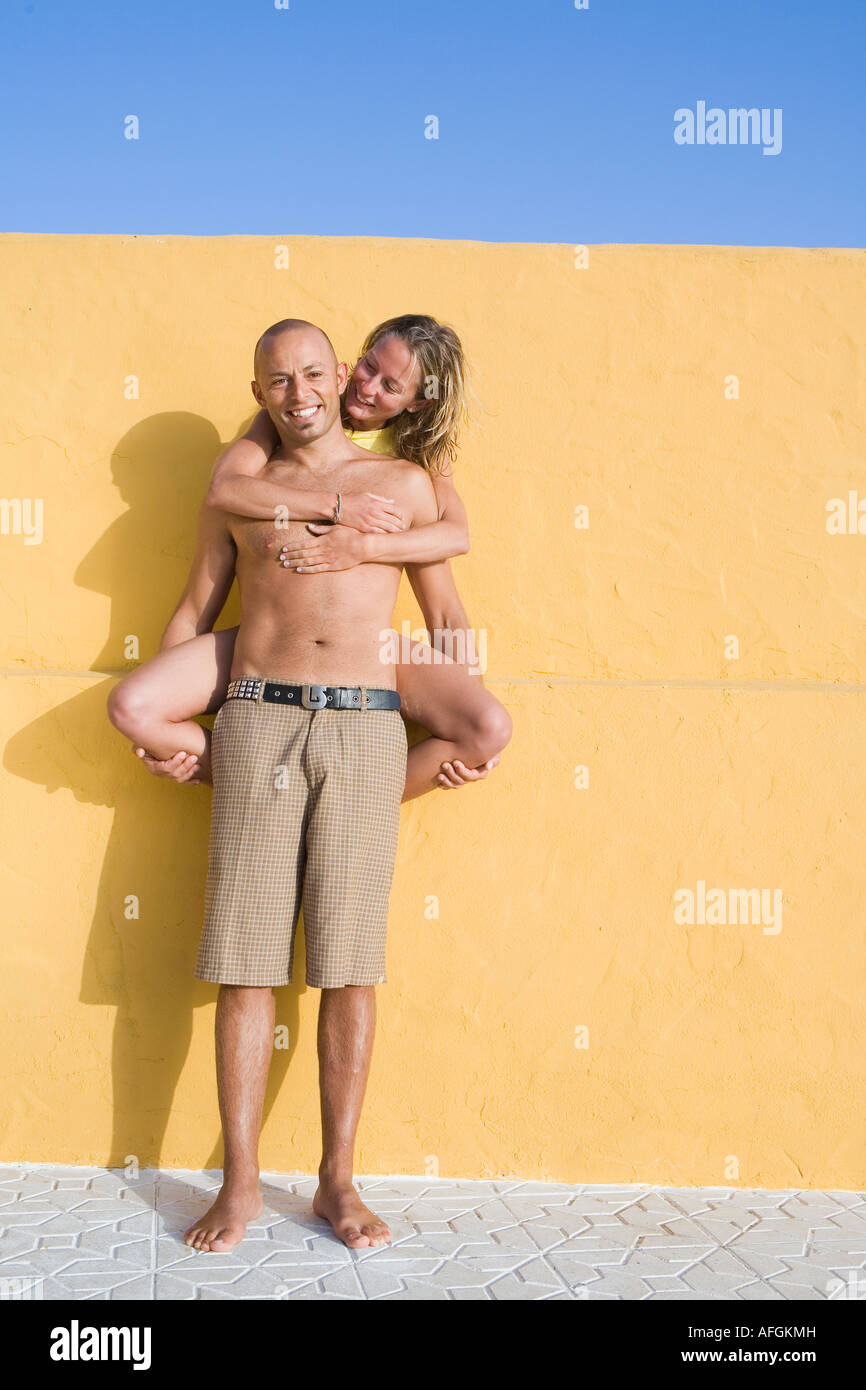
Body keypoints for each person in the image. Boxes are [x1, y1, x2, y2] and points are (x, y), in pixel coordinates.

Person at [147, 318, 465, 1252]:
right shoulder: (244, 493)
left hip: (368, 726)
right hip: (256, 716)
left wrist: (464, 702)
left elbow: (448, 612)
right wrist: (177, 726)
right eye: (278, 380)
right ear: (260, 392)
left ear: (338, 379)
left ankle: (336, 1181)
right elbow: (194, 610)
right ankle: (240, 1184)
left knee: (349, 968)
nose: (302, 393)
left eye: (315, 373)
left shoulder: (403, 488)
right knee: (245, 966)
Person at [108, 314, 512, 800]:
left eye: (390, 385)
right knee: (134, 704)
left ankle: (367, 795)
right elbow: (225, 490)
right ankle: (243, 774)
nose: (367, 387)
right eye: (367, 366)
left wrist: (364, 545)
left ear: (419, 400)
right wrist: (340, 505)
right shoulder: (297, 404)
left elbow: (453, 556)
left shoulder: (421, 461)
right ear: (348, 365)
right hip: (274, 641)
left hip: (367, 649)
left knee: (488, 725)